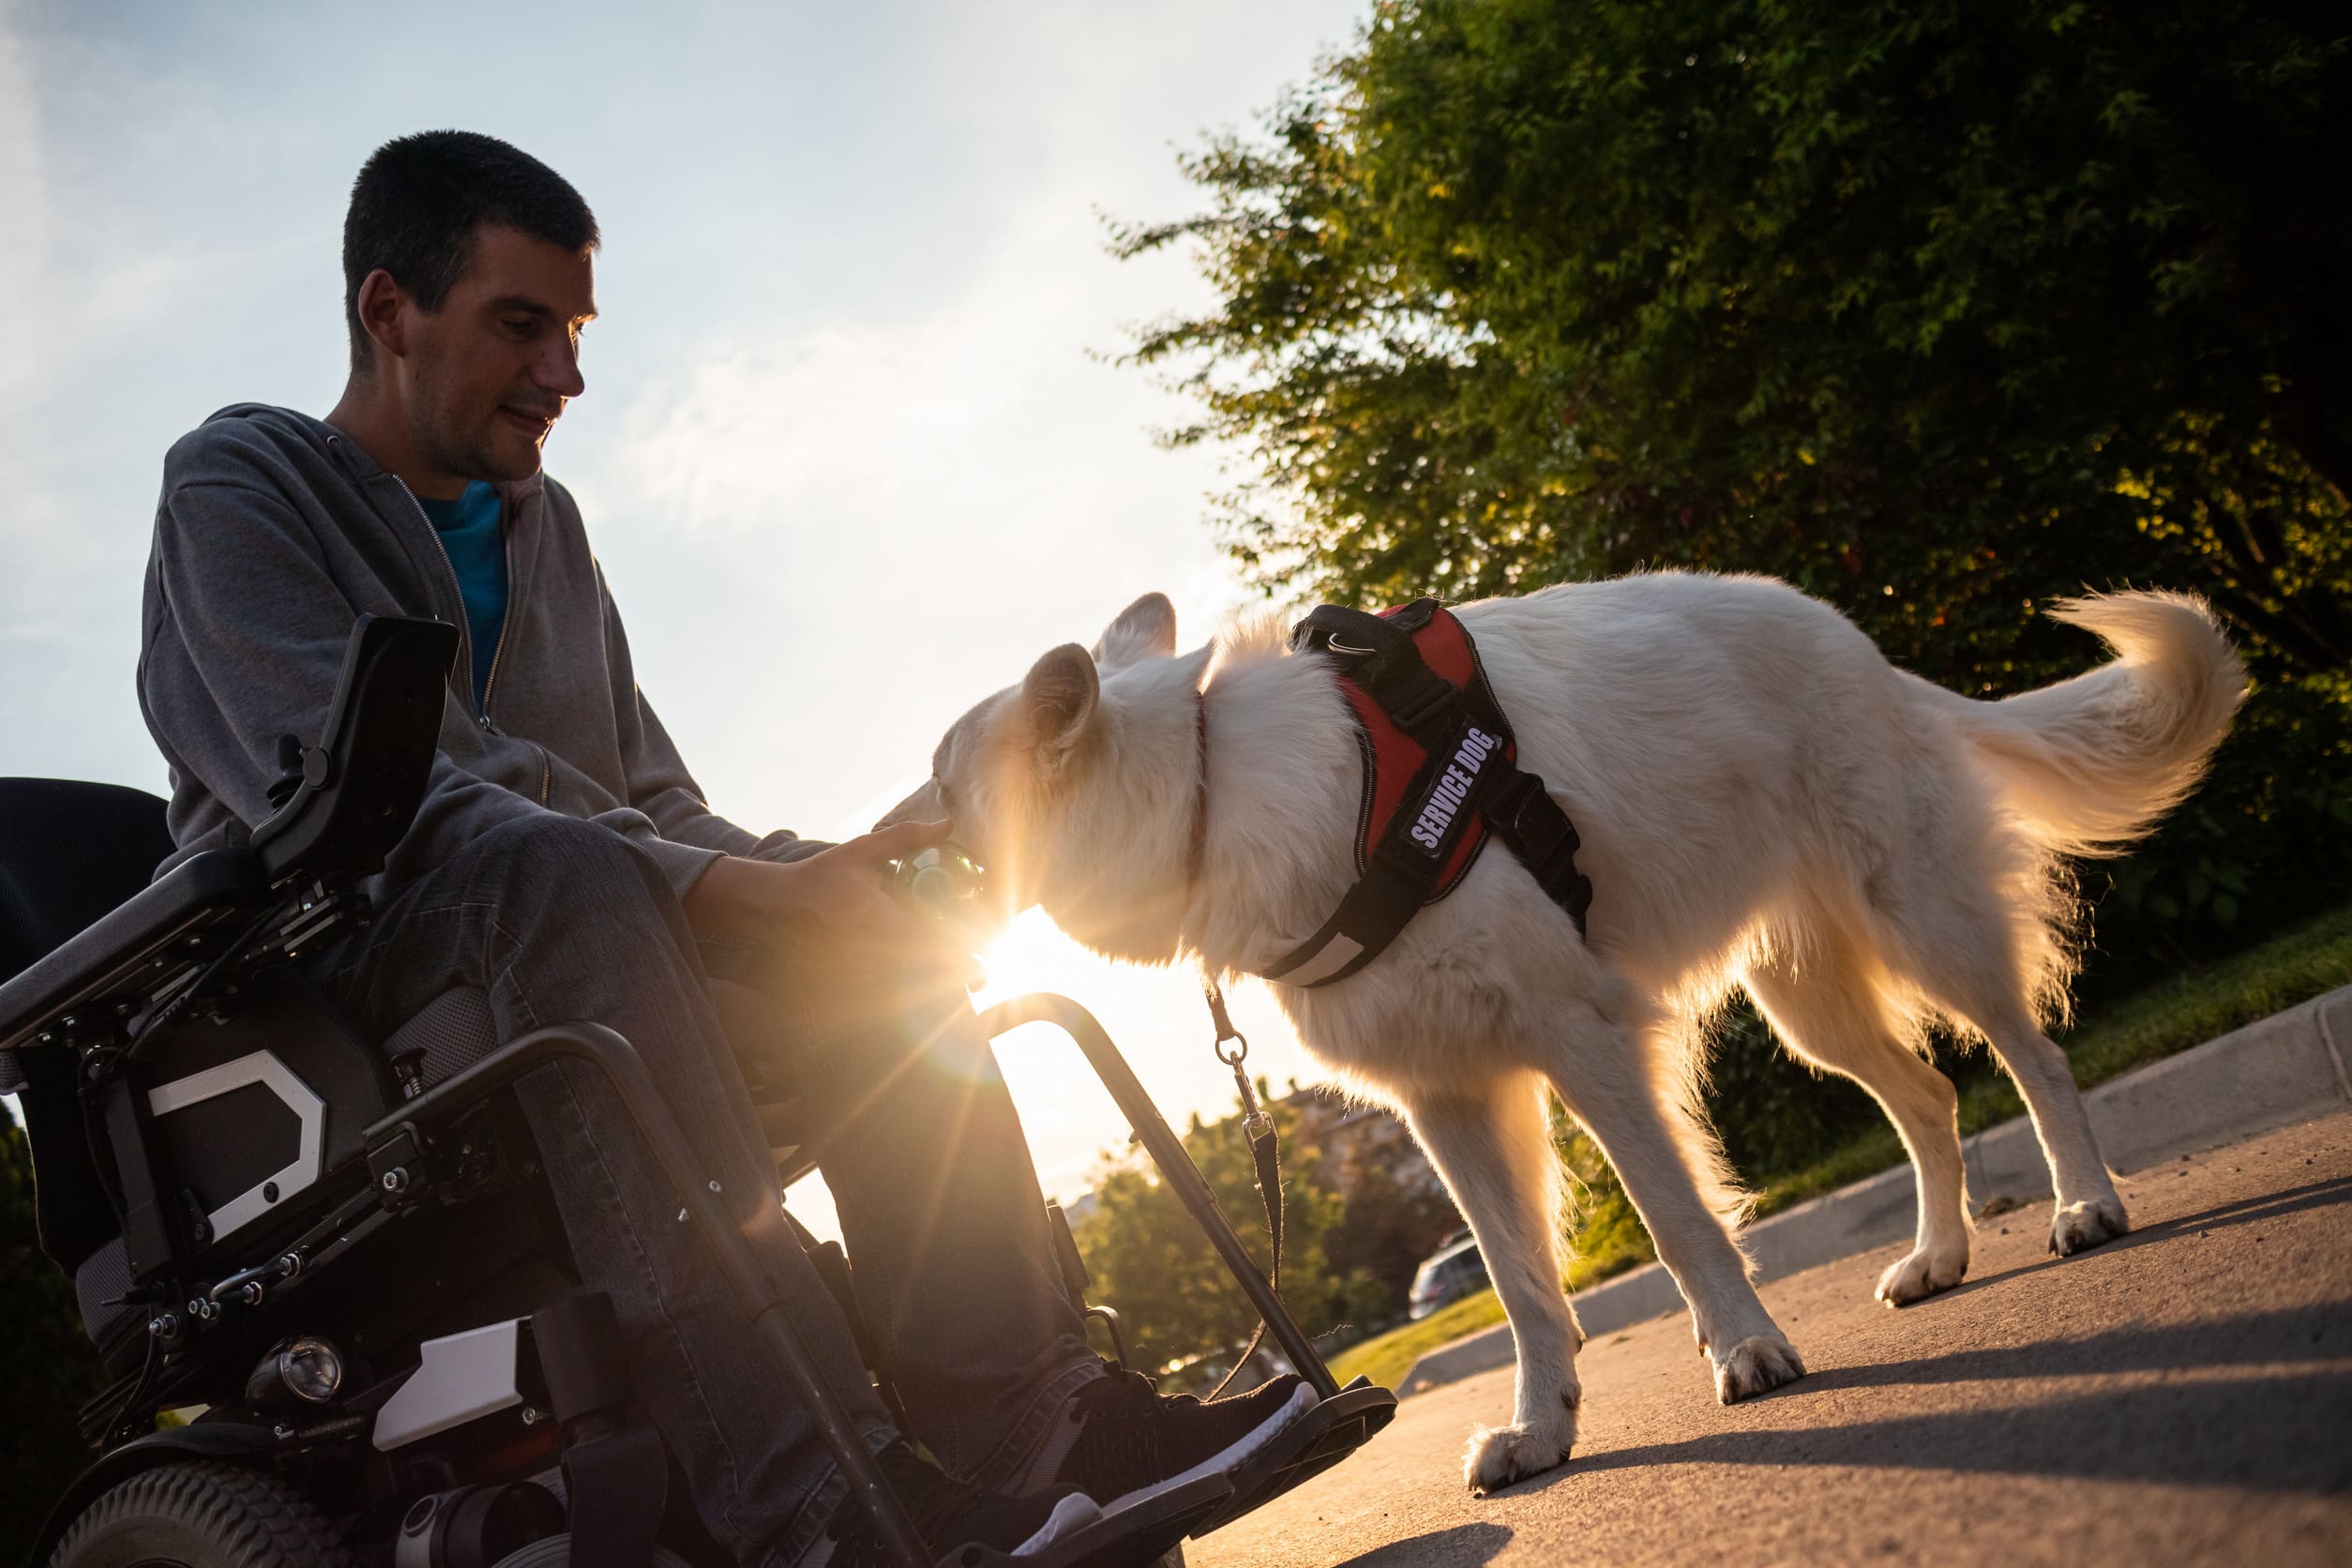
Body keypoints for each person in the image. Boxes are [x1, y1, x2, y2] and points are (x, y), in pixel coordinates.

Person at [136, 129, 1303, 1568]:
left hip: (579, 935)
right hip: (337, 992)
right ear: (389, 311)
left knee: (869, 930)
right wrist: (732, 887)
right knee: (561, 877)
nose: (564, 374)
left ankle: (1032, 1421)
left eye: (574, 332)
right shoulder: (237, 485)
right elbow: (378, 793)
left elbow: (656, 804)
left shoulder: (544, 528)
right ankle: (816, 1514)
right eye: (521, 325)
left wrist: (830, 873)